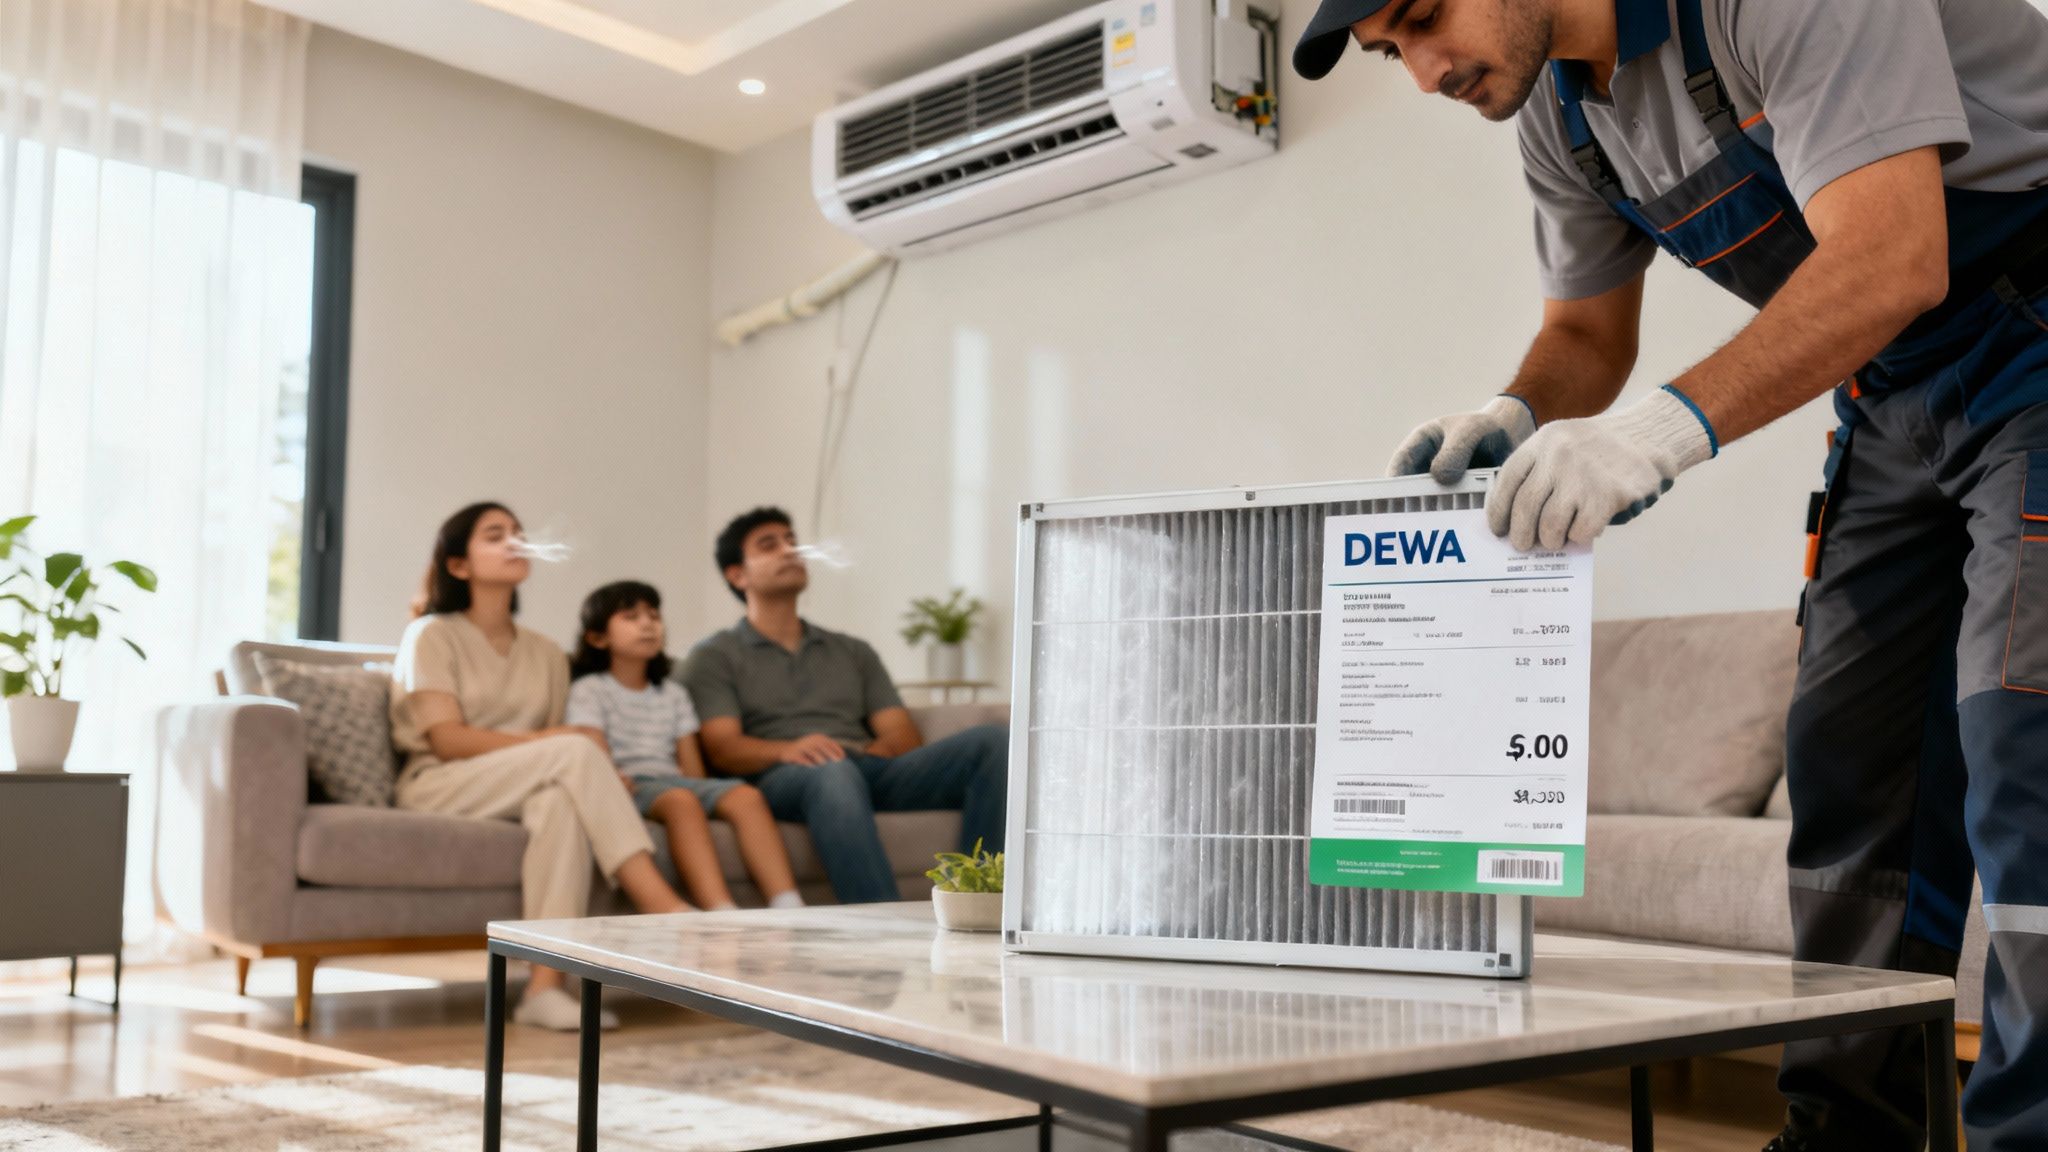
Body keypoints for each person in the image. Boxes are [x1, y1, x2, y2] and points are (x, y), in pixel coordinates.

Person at [1291, 0, 2048, 1147]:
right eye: (1390, 52)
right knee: (1849, 765)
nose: (1424, 72)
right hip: (1895, 394)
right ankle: (1846, 1136)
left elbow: (1893, 255)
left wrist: (1657, 435)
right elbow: (1586, 337)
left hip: (2032, 333)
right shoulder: (1562, 118)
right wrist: (1515, 409)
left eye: (1423, 19)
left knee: (2022, 746)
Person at [390, 503, 692, 1032]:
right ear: (458, 565)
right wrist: (556, 744)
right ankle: (664, 908)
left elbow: (556, 767)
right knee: (575, 750)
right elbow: (447, 739)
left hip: (525, 786)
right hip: (440, 782)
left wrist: (583, 767)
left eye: (519, 534)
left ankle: (544, 987)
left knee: (561, 801)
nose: (515, 542)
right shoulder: (431, 635)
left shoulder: (548, 653)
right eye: (495, 535)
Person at [681, 507, 1009, 904]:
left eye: (791, 540)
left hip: (867, 766)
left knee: (995, 744)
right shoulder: (714, 656)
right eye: (770, 545)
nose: (790, 550)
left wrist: (867, 753)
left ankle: (977, 904)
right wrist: (788, 749)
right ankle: (883, 927)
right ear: (738, 575)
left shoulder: (852, 651)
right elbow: (723, 747)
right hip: (785, 774)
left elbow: (902, 734)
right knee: (831, 771)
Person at [567, 580, 806, 912]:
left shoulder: (674, 693)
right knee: (681, 801)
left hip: (674, 780)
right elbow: (592, 745)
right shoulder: (590, 689)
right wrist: (613, 781)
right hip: (629, 784)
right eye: (631, 617)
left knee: (745, 796)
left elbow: (690, 765)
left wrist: (705, 791)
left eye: (654, 615)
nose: (648, 623)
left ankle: (788, 903)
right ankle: (719, 909)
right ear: (598, 637)